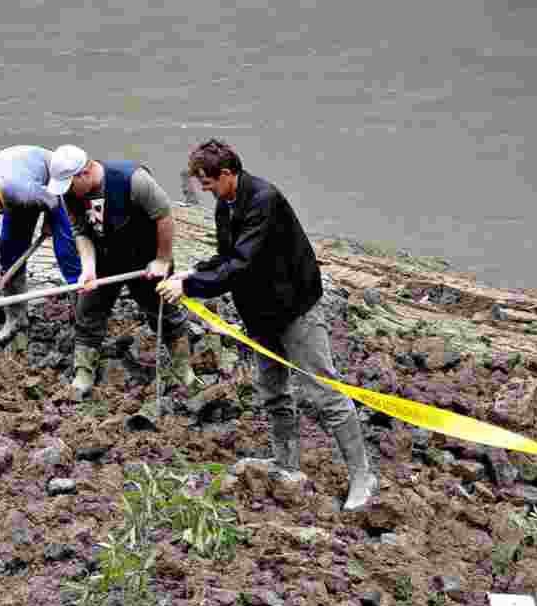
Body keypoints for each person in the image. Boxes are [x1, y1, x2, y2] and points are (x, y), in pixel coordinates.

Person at [156, 139, 378, 511]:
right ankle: (286, 463)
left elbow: (243, 263)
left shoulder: (264, 200)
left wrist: (190, 287)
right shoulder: (225, 205)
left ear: (227, 173)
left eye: (208, 183)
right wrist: (198, 271)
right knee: (273, 391)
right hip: (259, 314)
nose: (205, 191)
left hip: (295, 309)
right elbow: (228, 256)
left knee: (324, 392)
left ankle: (362, 475)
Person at [46, 145, 198, 401]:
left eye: (70, 184)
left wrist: (162, 259)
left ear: (84, 173)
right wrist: (89, 270)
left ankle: (184, 369)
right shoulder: (71, 193)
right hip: (106, 256)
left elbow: (165, 217)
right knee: (88, 311)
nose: (67, 192)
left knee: (164, 311)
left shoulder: (133, 181)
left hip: (146, 260)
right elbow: (81, 231)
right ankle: (83, 373)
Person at [0, 145, 84, 342]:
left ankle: (83, 323)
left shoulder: (22, 192)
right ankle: (16, 319)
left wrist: (48, 224)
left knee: (67, 254)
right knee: (9, 259)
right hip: (16, 176)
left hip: (50, 184)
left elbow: (53, 201)